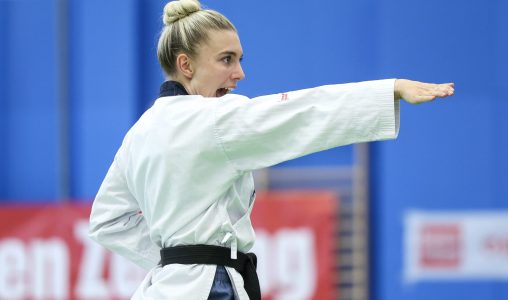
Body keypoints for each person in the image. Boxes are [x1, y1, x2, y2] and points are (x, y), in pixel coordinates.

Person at [88, 0, 454, 299]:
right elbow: (301, 112)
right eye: (226, 59)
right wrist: (387, 89)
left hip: (164, 290)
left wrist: (177, 260)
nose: (240, 73)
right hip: (208, 289)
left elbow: (107, 221)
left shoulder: (139, 133)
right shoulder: (214, 119)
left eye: (239, 59)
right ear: (186, 65)